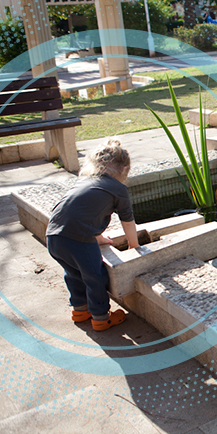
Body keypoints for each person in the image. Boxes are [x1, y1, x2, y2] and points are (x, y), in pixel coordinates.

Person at [46, 139, 140, 332]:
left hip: (54, 236)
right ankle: (100, 317)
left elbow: (80, 214)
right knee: (95, 276)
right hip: (77, 241)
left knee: (73, 273)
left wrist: (98, 238)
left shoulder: (85, 181)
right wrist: (134, 245)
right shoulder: (118, 189)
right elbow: (128, 221)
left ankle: (80, 310)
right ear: (124, 169)